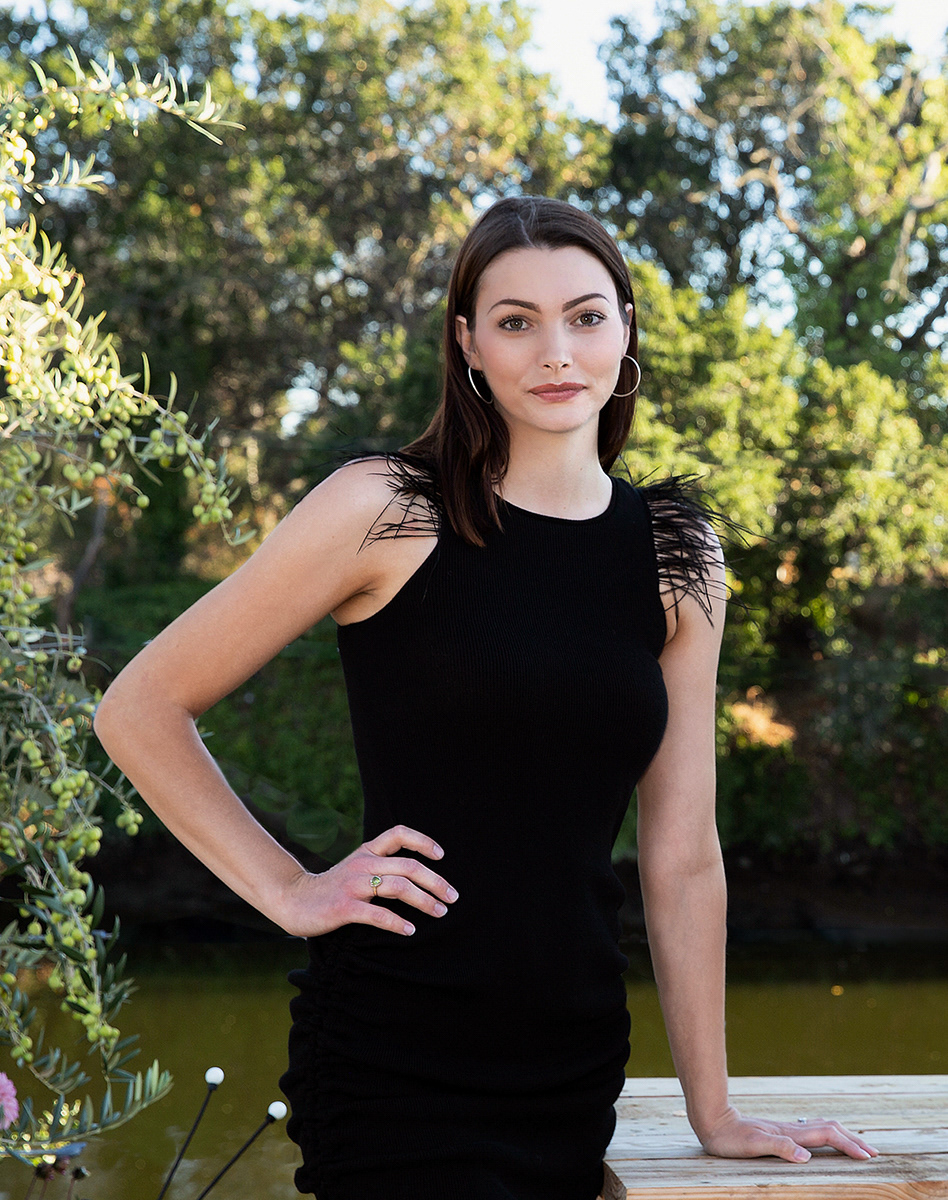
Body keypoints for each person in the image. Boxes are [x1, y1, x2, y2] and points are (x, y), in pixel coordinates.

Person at [93, 196, 878, 1199]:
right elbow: (141, 707)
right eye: (516, 321)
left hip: (571, 1054)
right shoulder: (385, 510)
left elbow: (683, 856)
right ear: (468, 343)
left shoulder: (678, 555)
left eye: (585, 316)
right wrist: (290, 891)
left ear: (626, 331)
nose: (556, 352)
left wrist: (713, 1110)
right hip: (397, 1055)